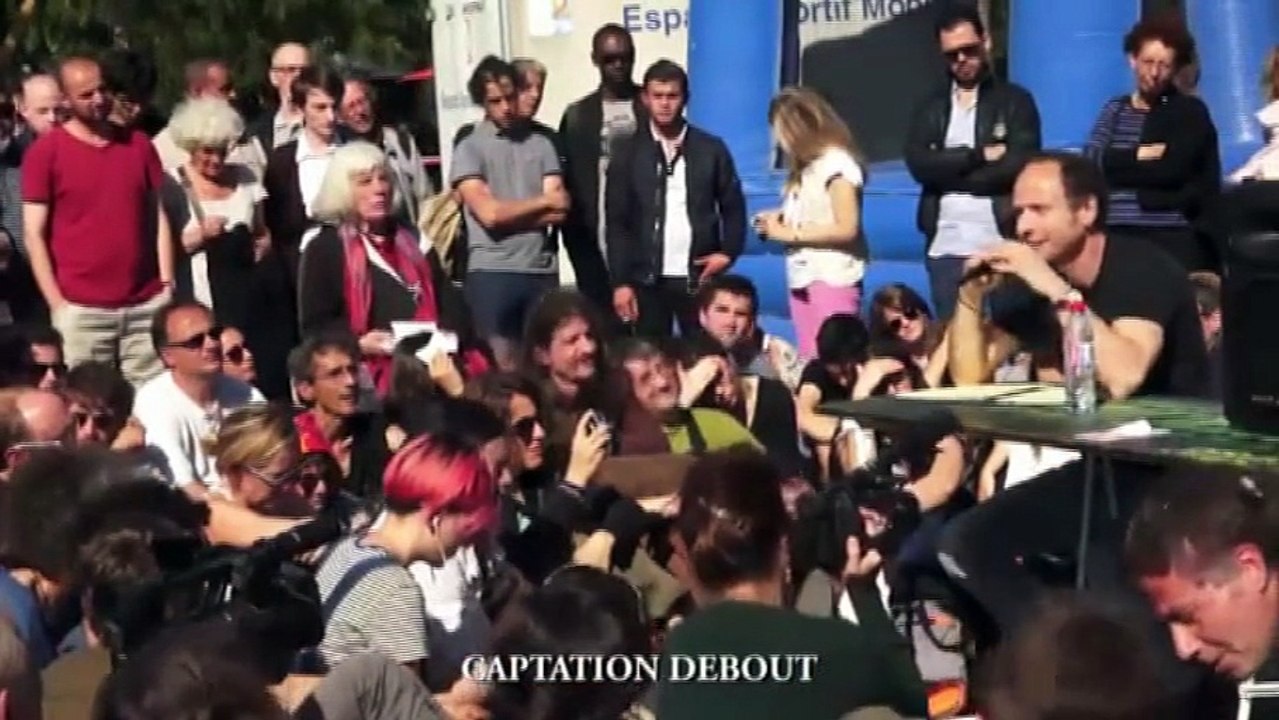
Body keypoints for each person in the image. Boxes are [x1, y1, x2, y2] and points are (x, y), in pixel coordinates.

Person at [657, 448, 928, 719]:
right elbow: (914, 703)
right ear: (784, 546)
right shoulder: (837, 647)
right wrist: (864, 594)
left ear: (688, 553)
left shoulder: (680, 648)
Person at [948, 151, 1208, 399]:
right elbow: (968, 379)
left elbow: (1123, 378)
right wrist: (970, 297)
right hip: (1078, 437)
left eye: (1039, 210)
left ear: (1087, 210)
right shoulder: (1034, 277)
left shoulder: (1142, 267)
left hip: (1166, 435)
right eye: (1019, 213)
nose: (1022, 227)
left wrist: (1056, 290)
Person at [22, 57, 174, 386]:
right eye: (86, 94)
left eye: (103, 90)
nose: (99, 100)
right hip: (81, 309)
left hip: (145, 303)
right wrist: (58, 304)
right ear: (65, 99)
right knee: (89, 402)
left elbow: (156, 215)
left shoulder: (138, 145)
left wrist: (166, 282)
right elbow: (33, 234)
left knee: (152, 400)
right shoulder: (46, 153)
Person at [299, 142, 488, 395]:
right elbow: (315, 327)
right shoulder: (325, 247)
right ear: (342, 190)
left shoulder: (413, 239)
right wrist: (357, 344)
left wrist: (444, 338)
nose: (379, 189)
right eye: (365, 182)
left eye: (383, 179)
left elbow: (453, 306)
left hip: (432, 369)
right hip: (368, 380)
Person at [904, 5, 1042, 322]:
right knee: (958, 345)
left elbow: (1018, 165)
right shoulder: (931, 106)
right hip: (945, 244)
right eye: (952, 55)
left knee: (1008, 343)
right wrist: (976, 156)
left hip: (1001, 238)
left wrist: (947, 173)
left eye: (969, 50)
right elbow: (918, 164)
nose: (962, 60)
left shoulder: (1015, 101)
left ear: (986, 41)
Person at [607, 60, 745, 338]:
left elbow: (733, 207)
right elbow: (616, 222)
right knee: (652, 358)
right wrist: (621, 282)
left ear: (685, 99)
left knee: (704, 355)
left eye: (672, 96)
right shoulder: (627, 152)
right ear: (645, 98)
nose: (665, 104)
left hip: (698, 275)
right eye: (657, 96)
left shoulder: (710, 149)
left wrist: (727, 253)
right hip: (646, 280)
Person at [452, 56, 567, 369]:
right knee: (500, 369)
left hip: (540, 270)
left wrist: (508, 213)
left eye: (509, 98)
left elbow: (559, 209)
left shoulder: (543, 144)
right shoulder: (470, 148)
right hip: (493, 272)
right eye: (494, 101)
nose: (504, 107)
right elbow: (488, 214)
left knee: (544, 366)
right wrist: (538, 205)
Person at [1083, 15, 1220, 273]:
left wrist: (1116, 162)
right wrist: (1140, 155)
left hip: (1168, 231)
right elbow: (1091, 160)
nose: (1155, 73)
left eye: (1164, 65)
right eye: (1147, 62)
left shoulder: (1189, 112)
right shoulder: (1115, 109)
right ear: (1132, 60)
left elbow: (1172, 169)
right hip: (1115, 231)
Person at [754, 87, 867, 359]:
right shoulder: (805, 169)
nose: (779, 141)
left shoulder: (836, 164)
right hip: (802, 275)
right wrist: (778, 217)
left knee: (835, 356)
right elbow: (816, 212)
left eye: (781, 132)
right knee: (811, 357)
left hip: (830, 275)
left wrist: (787, 233)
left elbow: (846, 226)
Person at [559, 24, 645, 313]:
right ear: (595, 60)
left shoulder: (650, 106)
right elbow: (568, 179)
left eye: (625, 57)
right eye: (610, 59)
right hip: (593, 243)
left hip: (644, 242)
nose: (618, 65)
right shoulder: (578, 116)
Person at [162, 97, 267, 332]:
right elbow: (162, 250)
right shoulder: (172, 184)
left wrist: (259, 248)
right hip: (198, 302)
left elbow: (262, 232)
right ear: (190, 146)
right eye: (207, 151)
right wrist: (200, 235)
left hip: (247, 300)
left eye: (223, 150)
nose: (217, 160)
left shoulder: (246, 178)